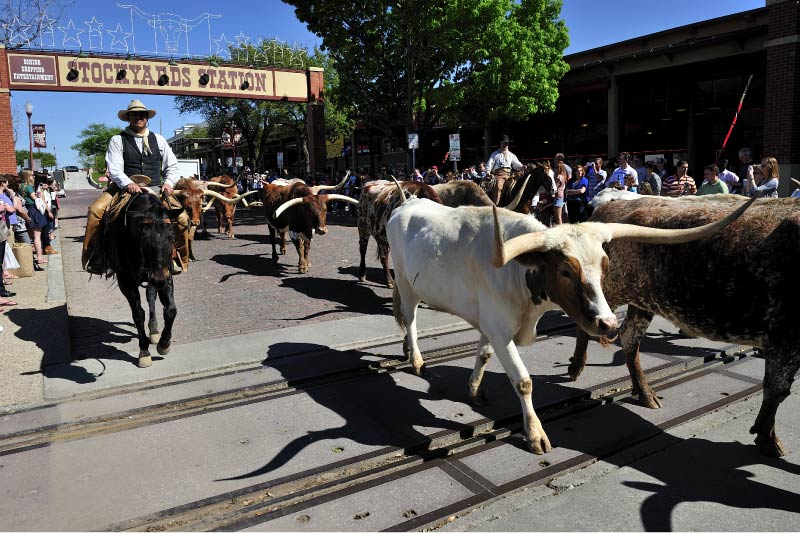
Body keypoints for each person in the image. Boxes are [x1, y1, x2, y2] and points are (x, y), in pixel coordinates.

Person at [82, 99, 186, 275]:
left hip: (155, 188)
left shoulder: (159, 139)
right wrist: (128, 183)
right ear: (128, 118)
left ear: (147, 118)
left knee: (182, 218)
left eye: (142, 115)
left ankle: (177, 258)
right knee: (95, 211)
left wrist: (168, 183)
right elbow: (114, 168)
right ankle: (95, 256)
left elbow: (172, 165)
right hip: (123, 187)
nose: (138, 117)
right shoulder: (117, 140)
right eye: (134, 114)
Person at [486, 135, 524, 204]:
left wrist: (522, 167)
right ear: (500, 144)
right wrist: (488, 171)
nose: (505, 145)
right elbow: (490, 162)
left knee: (516, 187)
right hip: (498, 175)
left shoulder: (511, 155)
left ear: (508, 144)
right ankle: (495, 205)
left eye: (506, 143)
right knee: (498, 187)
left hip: (509, 175)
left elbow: (516, 164)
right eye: (503, 143)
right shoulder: (495, 154)